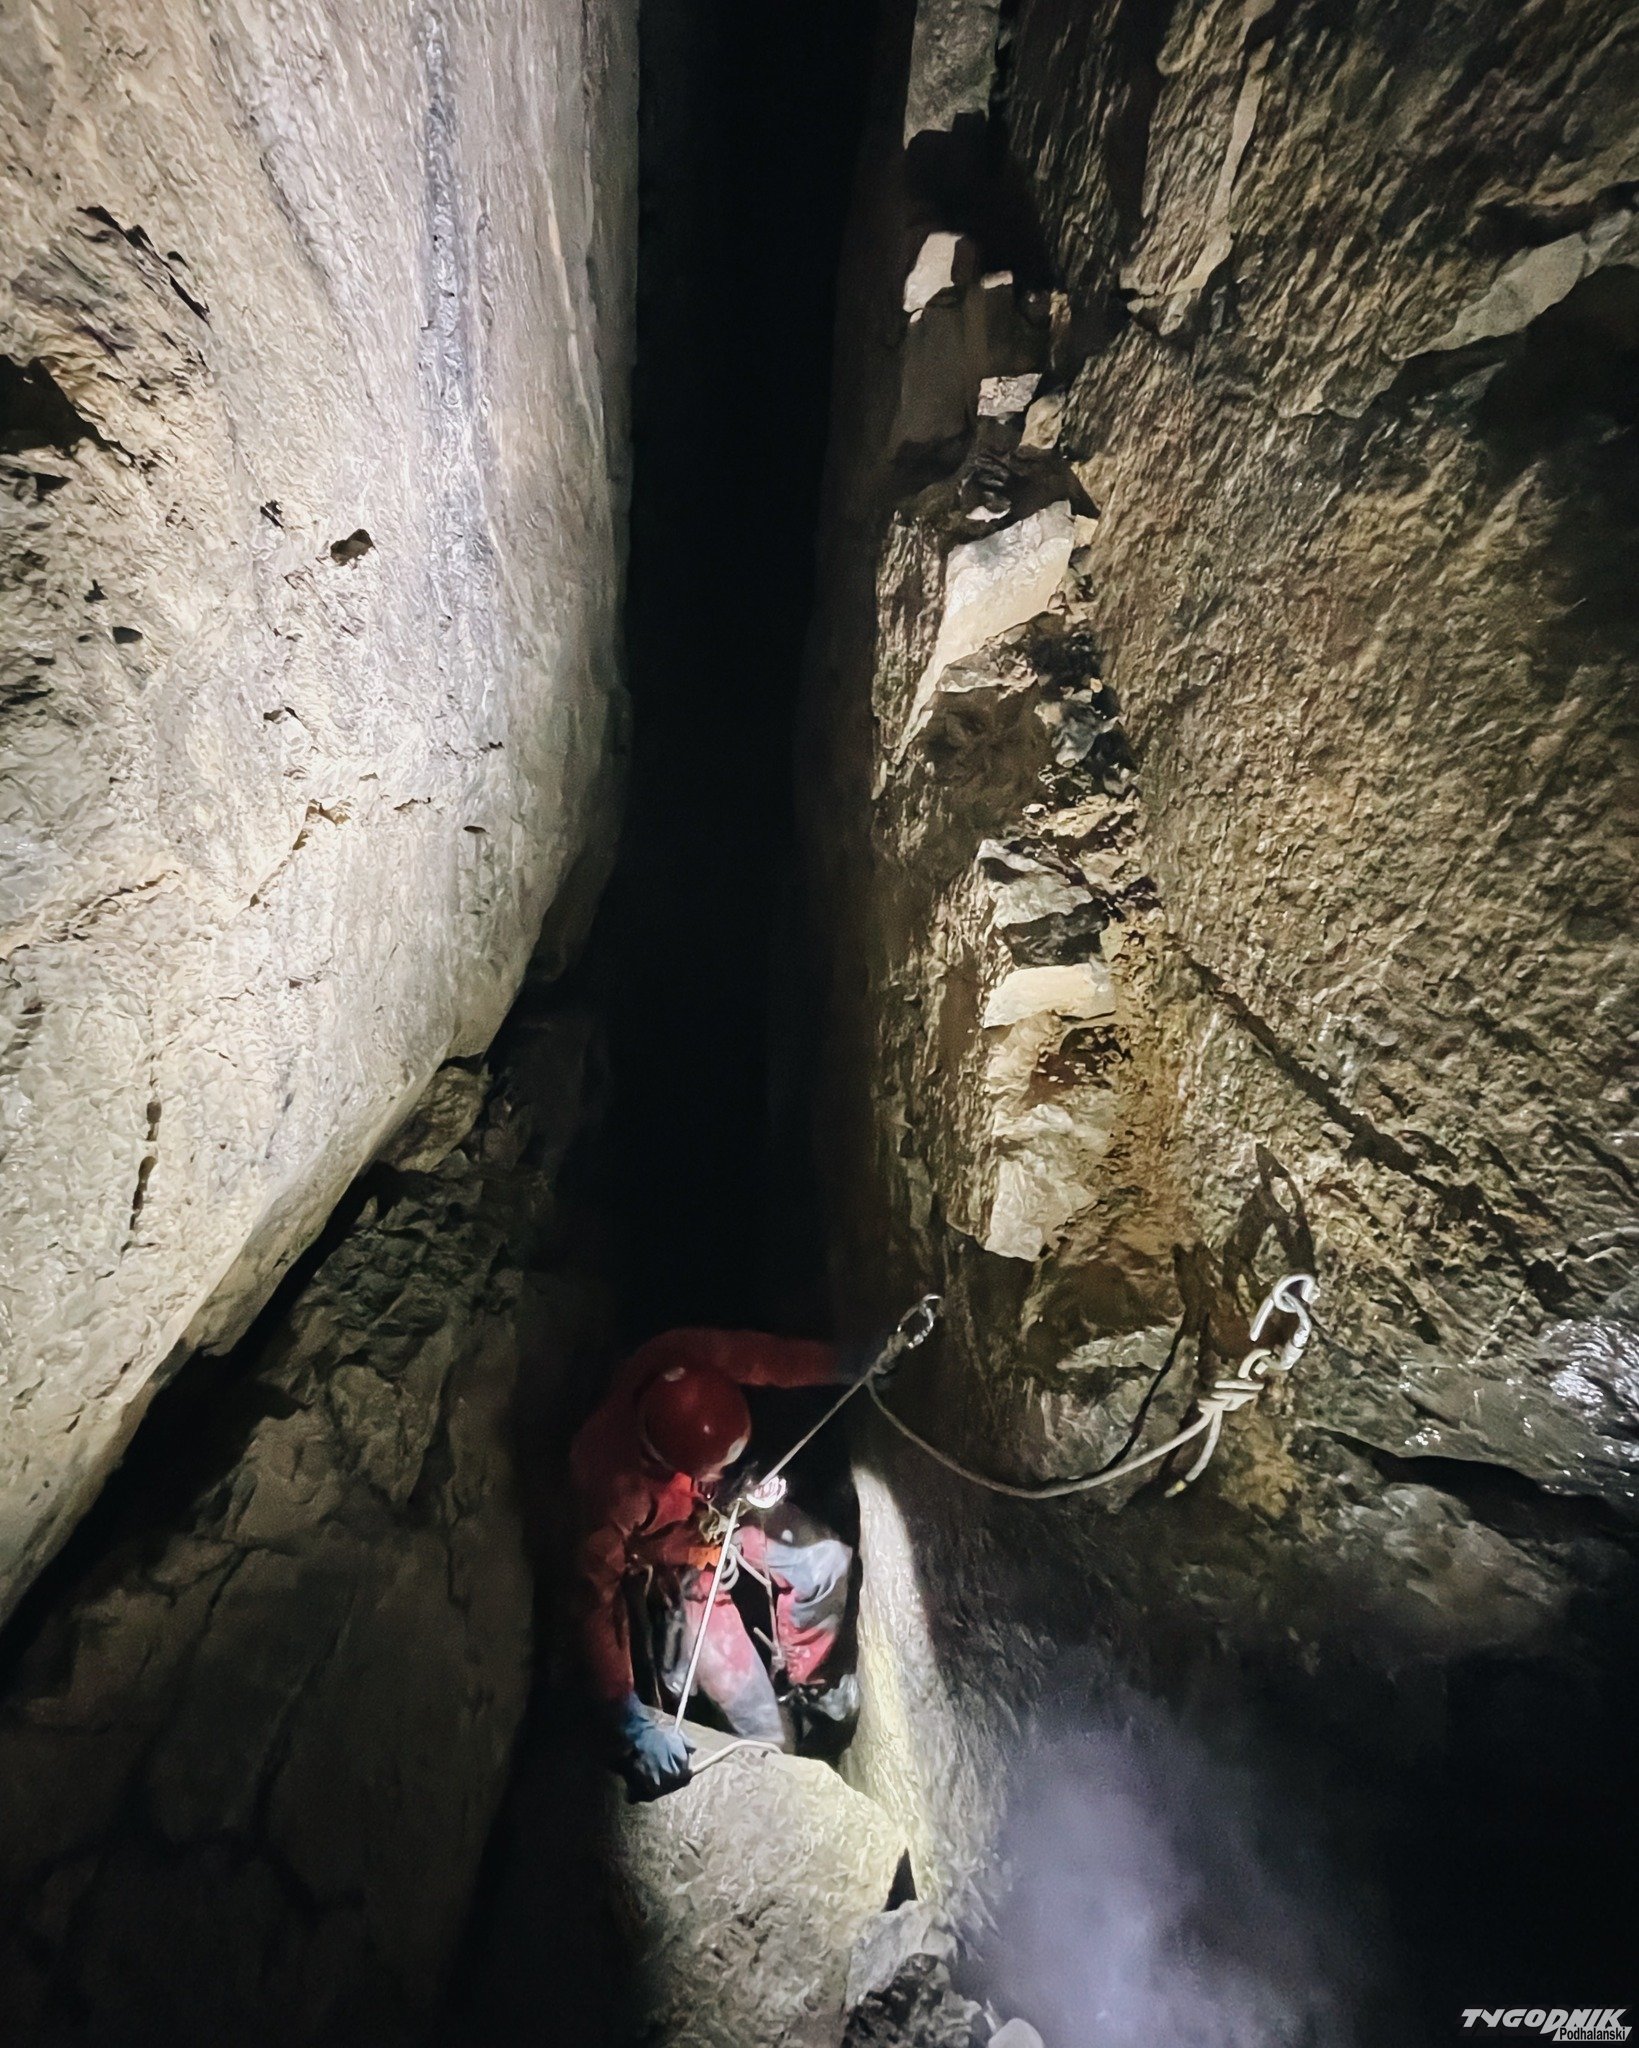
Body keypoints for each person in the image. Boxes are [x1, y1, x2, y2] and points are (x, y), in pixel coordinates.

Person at [569, 1327, 869, 1799]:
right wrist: (624, 1712)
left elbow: (764, 1359)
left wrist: (847, 1363)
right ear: (669, 1464)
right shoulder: (611, 1491)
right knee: (768, 1736)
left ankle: (809, 1682)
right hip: (678, 1571)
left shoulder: (681, 1362)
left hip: (721, 1512)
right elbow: (594, 1604)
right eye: (710, 1469)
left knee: (824, 1562)